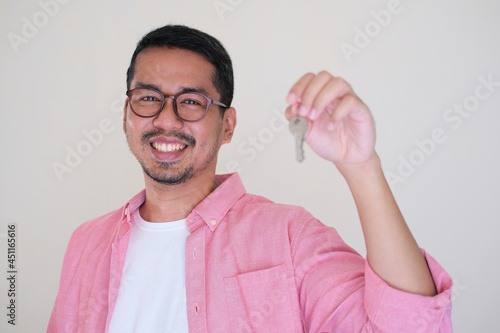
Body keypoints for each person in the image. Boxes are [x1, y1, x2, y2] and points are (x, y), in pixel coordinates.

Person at [47, 24, 452, 332]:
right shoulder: (86, 243)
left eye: (191, 101)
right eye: (149, 98)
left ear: (228, 125)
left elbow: (410, 324)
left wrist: (361, 165)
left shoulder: (290, 235)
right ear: (126, 115)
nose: (166, 119)